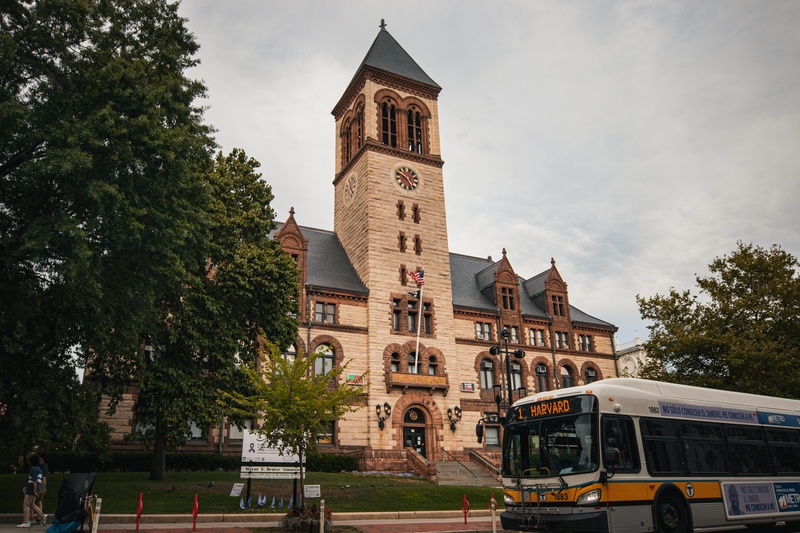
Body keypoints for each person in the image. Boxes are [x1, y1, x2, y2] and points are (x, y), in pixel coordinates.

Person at [17, 455, 46, 528]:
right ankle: (42, 515)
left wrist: (34, 490)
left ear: (31, 462)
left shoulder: (34, 470)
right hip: (34, 489)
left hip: (31, 489)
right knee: (32, 504)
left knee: (26, 504)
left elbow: (34, 481)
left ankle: (26, 521)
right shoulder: (39, 469)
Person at [31, 454, 49, 525]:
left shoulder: (44, 466)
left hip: (40, 484)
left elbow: (44, 477)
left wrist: (44, 486)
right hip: (39, 483)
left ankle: (39, 517)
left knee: (38, 501)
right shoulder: (38, 466)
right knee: (34, 502)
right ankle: (33, 517)